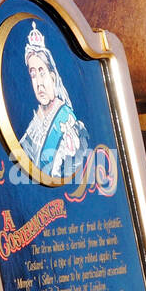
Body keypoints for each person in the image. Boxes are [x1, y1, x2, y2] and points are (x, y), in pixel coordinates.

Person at [19, 21, 88, 180]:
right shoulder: (35, 122)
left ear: (53, 77)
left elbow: (73, 175)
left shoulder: (67, 120)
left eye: (42, 72)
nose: (39, 83)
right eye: (33, 74)